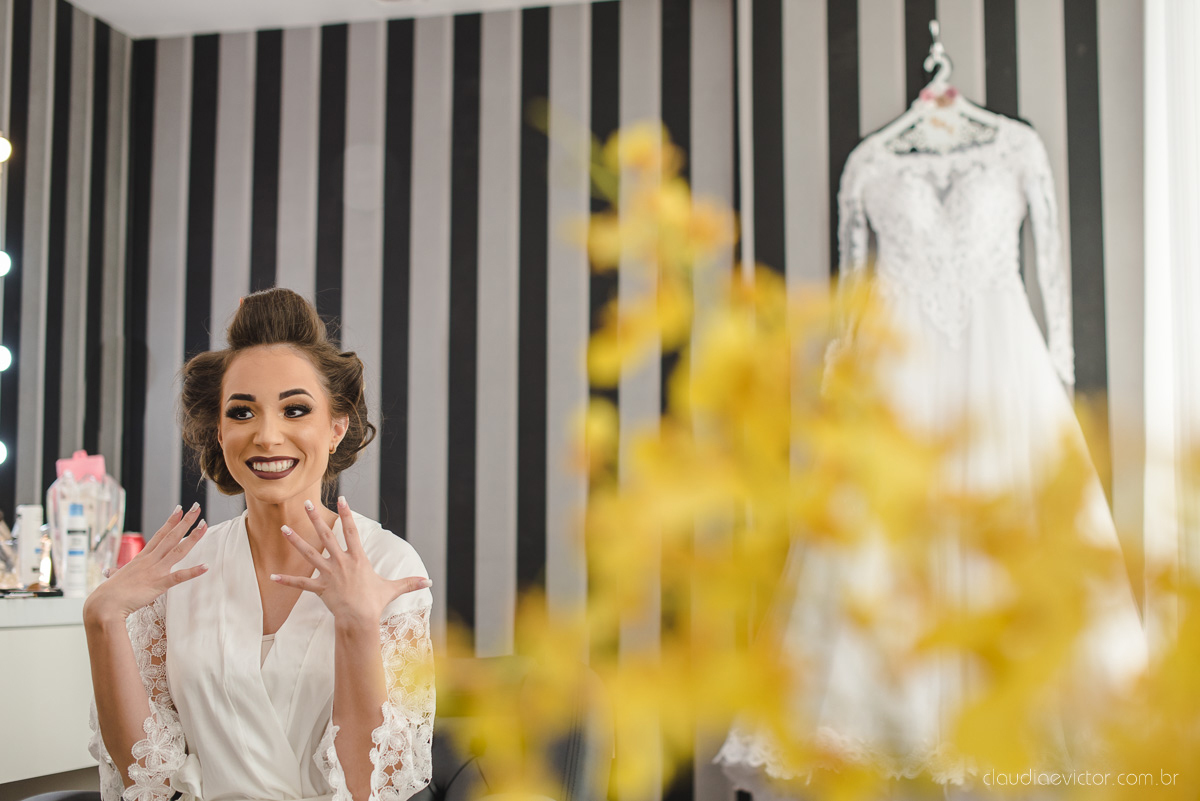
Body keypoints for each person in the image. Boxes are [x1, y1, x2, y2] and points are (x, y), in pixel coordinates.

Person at [83, 288, 434, 801]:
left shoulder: (388, 564)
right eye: (242, 413)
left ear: (336, 427)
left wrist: (358, 623)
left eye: (295, 410)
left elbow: (372, 788)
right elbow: (148, 780)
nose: (267, 436)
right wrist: (103, 619)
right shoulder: (181, 573)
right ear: (219, 432)